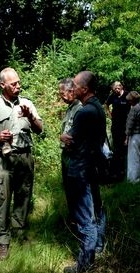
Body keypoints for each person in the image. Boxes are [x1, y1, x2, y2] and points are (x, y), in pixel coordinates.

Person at [0, 67, 43, 260]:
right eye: (14, 83)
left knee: (24, 196)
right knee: (3, 199)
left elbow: (40, 129)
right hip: (4, 159)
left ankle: (19, 232)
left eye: (19, 82)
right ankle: (3, 241)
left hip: (25, 158)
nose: (18, 86)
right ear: (3, 85)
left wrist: (30, 117)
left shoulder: (27, 103)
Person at [60, 70, 106, 273]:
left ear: (84, 89)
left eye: (76, 85)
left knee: (84, 220)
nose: (73, 88)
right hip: (92, 166)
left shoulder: (84, 112)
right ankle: (98, 247)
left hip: (80, 170)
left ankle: (84, 266)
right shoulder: (98, 107)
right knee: (97, 209)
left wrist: (63, 138)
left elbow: (71, 141)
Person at [58, 78, 82, 221]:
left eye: (62, 93)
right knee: (69, 188)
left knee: (77, 190)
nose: (61, 96)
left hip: (75, 155)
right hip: (67, 154)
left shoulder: (80, 108)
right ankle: (73, 219)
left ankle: (80, 220)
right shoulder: (70, 107)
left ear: (71, 91)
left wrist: (65, 138)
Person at [105, 81, 131, 180]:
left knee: (126, 146)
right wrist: (109, 114)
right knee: (117, 147)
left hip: (126, 125)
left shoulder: (128, 94)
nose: (116, 90)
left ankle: (127, 168)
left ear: (121, 87)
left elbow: (134, 104)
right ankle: (117, 170)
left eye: (117, 88)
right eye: (114, 89)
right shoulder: (113, 96)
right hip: (115, 125)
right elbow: (106, 105)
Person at [125, 91, 140, 183]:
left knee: (133, 157)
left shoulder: (134, 109)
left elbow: (130, 124)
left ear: (132, 100)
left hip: (135, 136)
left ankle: (134, 179)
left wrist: (127, 136)